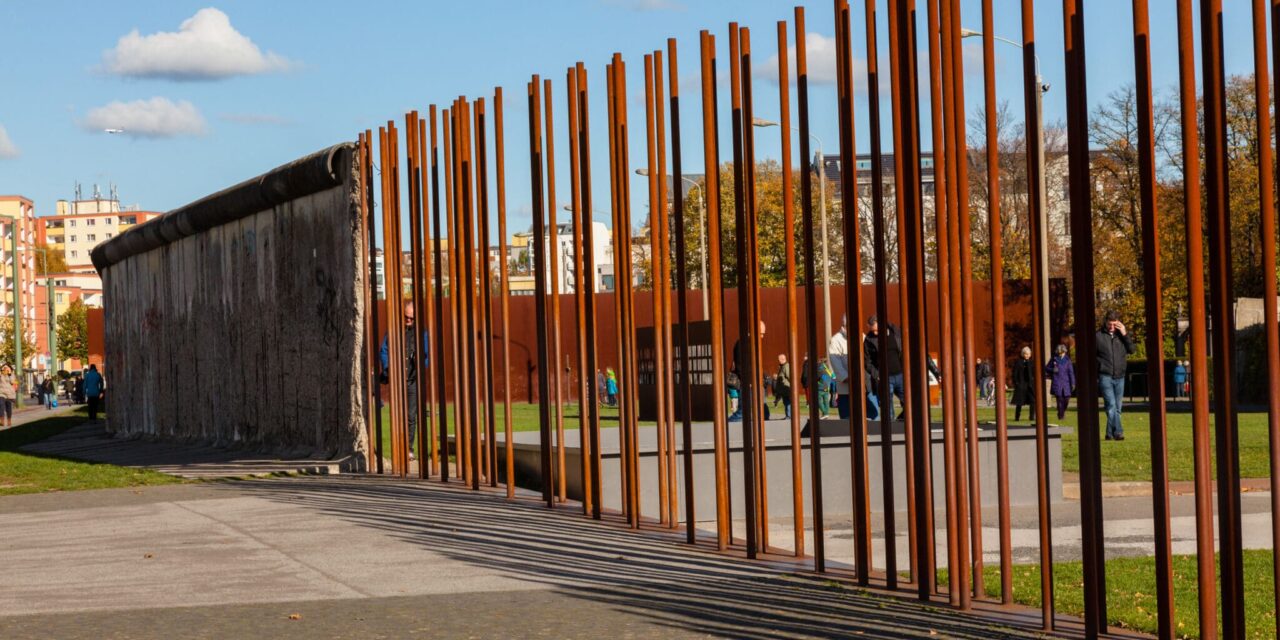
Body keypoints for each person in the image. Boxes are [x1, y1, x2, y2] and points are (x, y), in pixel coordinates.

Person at [380, 301, 430, 461]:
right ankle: (397, 446)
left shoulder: (422, 334)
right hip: (396, 380)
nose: (408, 320)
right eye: (406, 317)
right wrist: (388, 368)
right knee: (397, 415)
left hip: (412, 380)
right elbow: (384, 351)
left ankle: (409, 448)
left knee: (410, 416)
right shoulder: (393, 331)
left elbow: (426, 357)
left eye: (411, 318)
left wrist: (420, 361)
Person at [1098, 310, 1135, 441]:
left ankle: (1109, 433)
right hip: (1105, 376)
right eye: (1110, 324)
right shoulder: (1098, 336)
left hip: (1120, 376)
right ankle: (1118, 432)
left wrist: (1124, 333)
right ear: (1106, 322)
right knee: (1111, 405)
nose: (1112, 327)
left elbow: (1132, 350)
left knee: (1117, 408)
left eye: (1115, 324)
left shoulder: (1122, 336)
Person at [863, 315, 906, 421]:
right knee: (888, 407)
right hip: (885, 378)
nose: (875, 333)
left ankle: (903, 420)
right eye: (873, 331)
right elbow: (867, 362)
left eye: (877, 330)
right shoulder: (869, 340)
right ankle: (890, 430)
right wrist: (877, 375)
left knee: (909, 403)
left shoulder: (895, 332)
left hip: (900, 374)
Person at [1046, 344, 1076, 421]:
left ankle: (1062, 411)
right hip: (1057, 382)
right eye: (1059, 353)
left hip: (1066, 383)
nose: (1061, 354)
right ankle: (1061, 415)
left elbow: (1071, 373)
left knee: (1066, 399)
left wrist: (1073, 383)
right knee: (1059, 400)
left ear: (1064, 352)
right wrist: (1052, 370)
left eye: (1062, 352)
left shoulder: (1068, 360)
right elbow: (1046, 368)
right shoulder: (1054, 359)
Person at [1011, 346, 1035, 422]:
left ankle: (1031, 417)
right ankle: (1017, 417)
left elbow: (1034, 373)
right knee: (1019, 402)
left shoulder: (1032, 363)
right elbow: (1015, 373)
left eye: (1028, 354)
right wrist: (1016, 383)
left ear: (1030, 355)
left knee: (1033, 401)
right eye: (1025, 354)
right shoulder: (1019, 362)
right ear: (1022, 354)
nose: (1027, 355)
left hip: (1030, 385)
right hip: (1021, 385)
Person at [774, 354, 792, 419]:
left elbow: (789, 376)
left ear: (782, 359)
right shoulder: (782, 366)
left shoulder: (786, 366)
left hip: (786, 388)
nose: (778, 361)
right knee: (785, 402)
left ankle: (789, 415)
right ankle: (787, 415)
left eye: (779, 360)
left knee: (788, 402)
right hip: (783, 389)